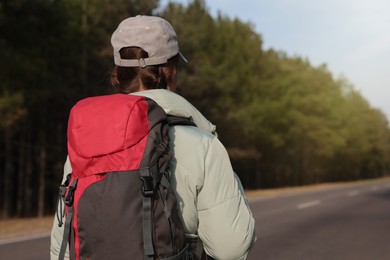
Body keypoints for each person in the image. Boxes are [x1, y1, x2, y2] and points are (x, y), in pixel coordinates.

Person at [50, 15, 256, 260]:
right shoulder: (202, 144)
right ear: (170, 71)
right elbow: (231, 249)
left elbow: (60, 247)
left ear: (117, 72)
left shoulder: (86, 143)